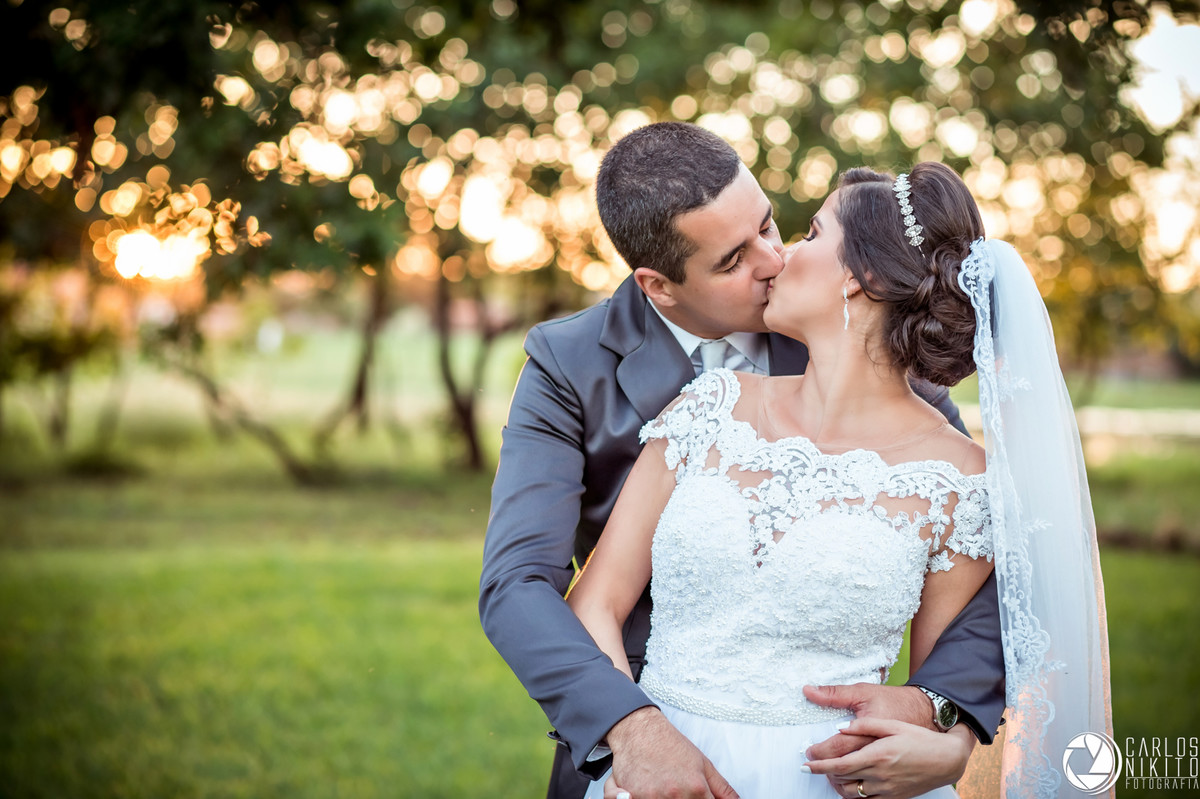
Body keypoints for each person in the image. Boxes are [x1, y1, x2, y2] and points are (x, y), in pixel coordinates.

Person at [479, 123, 1006, 799]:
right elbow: (519, 584)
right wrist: (631, 731)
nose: (773, 260)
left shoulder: (898, 366)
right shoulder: (573, 367)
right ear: (659, 286)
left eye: (773, 226)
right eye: (732, 260)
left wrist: (947, 724)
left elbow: (980, 569)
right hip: (638, 744)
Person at [567, 162, 1111, 799]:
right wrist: (637, 741)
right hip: (660, 775)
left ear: (863, 276)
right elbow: (594, 602)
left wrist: (945, 745)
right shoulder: (707, 407)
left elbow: (936, 688)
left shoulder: (958, 482)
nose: (777, 258)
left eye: (808, 234)